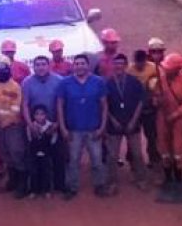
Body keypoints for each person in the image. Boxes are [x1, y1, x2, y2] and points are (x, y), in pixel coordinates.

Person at [57, 53, 109, 199]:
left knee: (97, 160)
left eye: (82, 63)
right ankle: (72, 187)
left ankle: (99, 185)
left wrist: (102, 127)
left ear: (88, 66)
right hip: (74, 130)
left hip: (94, 129)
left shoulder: (98, 82)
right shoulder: (64, 83)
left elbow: (104, 105)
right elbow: (60, 106)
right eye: (77, 64)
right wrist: (63, 127)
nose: (80, 66)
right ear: (73, 66)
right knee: (73, 160)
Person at [105, 53, 148, 193]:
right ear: (113, 66)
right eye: (116, 64)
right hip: (114, 125)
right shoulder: (108, 83)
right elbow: (104, 105)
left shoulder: (135, 82)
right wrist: (112, 120)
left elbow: (141, 102)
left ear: (125, 65)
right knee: (112, 155)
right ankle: (112, 183)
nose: (118, 66)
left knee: (137, 154)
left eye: (121, 64)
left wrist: (134, 121)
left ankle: (141, 179)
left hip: (132, 124)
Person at [23, 55, 65, 193]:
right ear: (33, 67)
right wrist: (30, 124)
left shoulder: (59, 81)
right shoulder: (27, 82)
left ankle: (59, 185)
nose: (40, 67)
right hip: (35, 126)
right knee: (36, 157)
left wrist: (57, 124)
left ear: (49, 66)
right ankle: (36, 187)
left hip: (53, 124)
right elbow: (25, 105)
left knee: (58, 155)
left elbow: (62, 105)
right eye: (37, 65)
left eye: (43, 64)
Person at [0, 57, 27, 196]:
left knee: (16, 153)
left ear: (9, 70)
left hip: (13, 126)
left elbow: (16, 108)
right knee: (5, 154)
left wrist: (5, 123)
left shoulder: (15, 87)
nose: (1, 72)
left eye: (3, 69)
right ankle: (12, 180)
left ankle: (23, 184)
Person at [154, 53, 182, 187]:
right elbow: (154, 99)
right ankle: (167, 176)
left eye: (169, 68)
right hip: (162, 118)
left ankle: (179, 177)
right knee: (164, 148)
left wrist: (175, 114)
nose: (166, 70)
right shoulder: (160, 79)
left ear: (177, 69)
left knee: (178, 150)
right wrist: (157, 100)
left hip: (178, 120)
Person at [129, 43, 162, 169]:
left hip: (149, 109)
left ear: (145, 60)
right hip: (134, 109)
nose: (139, 65)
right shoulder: (129, 70)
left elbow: (158, 86)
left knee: (152, 136)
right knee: (132, 137)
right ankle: (133, 162)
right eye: (137, 63)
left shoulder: (153, 68)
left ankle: (154, 159)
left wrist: (155, 98)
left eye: (141, 63)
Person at [25, 105, 60, 197]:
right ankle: (34, 190)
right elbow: (29, 139)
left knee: (46, 171)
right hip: (34, 152)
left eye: (42, 114)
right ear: (33, 115)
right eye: (37, 114)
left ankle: (47, 190)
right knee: (34, 171)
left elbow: (53, 140)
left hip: (47, 152)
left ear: (46, 115)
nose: (39, 117)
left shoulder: (51, 126)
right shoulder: (31, 127)